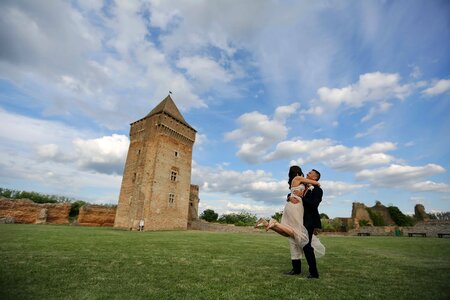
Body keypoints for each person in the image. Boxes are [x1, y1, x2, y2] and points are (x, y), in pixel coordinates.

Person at [255, 166, 325, 277]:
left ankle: (314, 272)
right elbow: (293, 192)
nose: (307, 173)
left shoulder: (317, 190)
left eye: (310, 173)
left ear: (315, 177)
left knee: (306, 245)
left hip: (308, 221)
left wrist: (302, 197)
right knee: (292, 241)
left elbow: (314, 204)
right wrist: (289, 197)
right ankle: (296, 269)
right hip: (296, 216)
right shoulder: (303, 184)